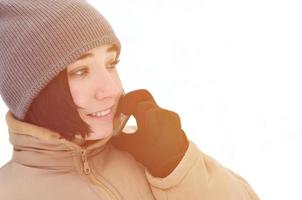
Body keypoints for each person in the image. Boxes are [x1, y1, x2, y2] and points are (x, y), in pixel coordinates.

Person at [0, 0, 259, 199]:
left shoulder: (149, 151)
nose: (111, 89)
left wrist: (177, 166)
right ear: (35, 91)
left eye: (111, 63)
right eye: (80, 71)